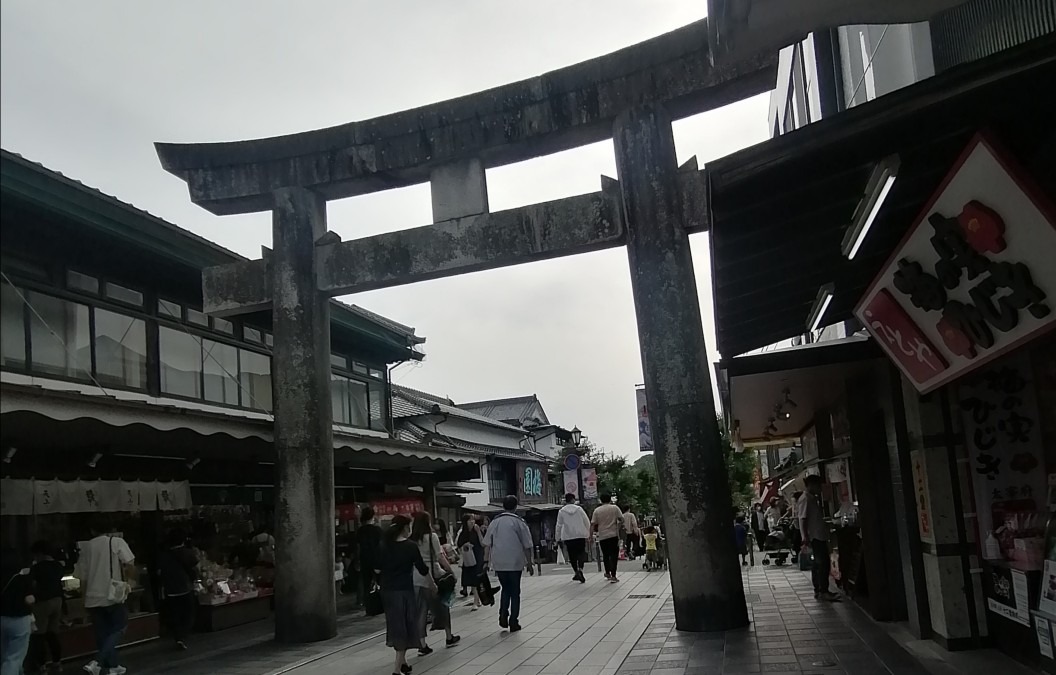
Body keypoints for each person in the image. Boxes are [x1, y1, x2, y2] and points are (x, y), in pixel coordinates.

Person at [75, 519, 136, 675]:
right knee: (120, 627)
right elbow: (130, 562)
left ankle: (113, 666)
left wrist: (83, 599)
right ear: (110, 529)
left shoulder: (86, 547)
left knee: (102, 634)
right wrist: (129, 581)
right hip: (112, 594)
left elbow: (82, 577)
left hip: (92, 597)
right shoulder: (116, 542)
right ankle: (98, 662)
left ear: (92, 531)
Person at [377, 515, 431, 675]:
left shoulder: (383, 545)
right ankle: (396, 669)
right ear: (405, 528)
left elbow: (377, 569)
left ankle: (403, 663)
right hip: (404, 591)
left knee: (396, 626)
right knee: (405, 627)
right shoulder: (410, 546)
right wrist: (432, 583)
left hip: (387, 591)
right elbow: (422, 568)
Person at [482, 495, 534, 632]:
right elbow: (527, 545)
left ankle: (503, 613)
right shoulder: (519, 522)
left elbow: (487, 543)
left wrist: (485, 561)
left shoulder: (495, 522)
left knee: (505, 588)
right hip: (515, 562)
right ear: (515, 506)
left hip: (499, 562)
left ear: (503, 506)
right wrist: (529, 563)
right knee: (515, 591)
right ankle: (513, 621)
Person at [410, 512, 459, 654]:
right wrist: (451, 572)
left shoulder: (412, 539)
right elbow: (440, 557)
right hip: (434, 576)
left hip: (416, 578)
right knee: (444, 606)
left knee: (421, 613)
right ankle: (449, 637)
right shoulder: (432, 537)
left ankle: (422, 644)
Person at [799, 475, 838, 601]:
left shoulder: (811, 498)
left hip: (817, 534)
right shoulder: (806, 499)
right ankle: (822, 590)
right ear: (811, 485)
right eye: (818, 485)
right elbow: (803, 519)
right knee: (822, 563)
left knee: (818, 564)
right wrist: (805, 536)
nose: (820, 488)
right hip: (815, 536)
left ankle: (820, 590)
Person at [158, 528, 198, 651]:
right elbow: (196, 569)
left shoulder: (164, 555)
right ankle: (182, 636)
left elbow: (160, 573)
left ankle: (178, 636)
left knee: (175, 614)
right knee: (189, 613)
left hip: (170, 590)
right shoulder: (188, 553)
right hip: (185, 587)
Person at [30, 540, 65, 670]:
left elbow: (32, 585)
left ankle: (42, 666)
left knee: (39, 635)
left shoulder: (36, 568)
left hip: (42, 602)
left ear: (39, 553)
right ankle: (57, 663)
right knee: (52, 634)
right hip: (57, 601)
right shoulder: (58, 566)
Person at [2, 547, 35, 675]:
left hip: (2, 618)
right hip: (19, 620)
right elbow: (30, 599)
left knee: (5, 655)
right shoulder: (21, 579)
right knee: (14, 658)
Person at [555, 494, 590, 583]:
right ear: (573, 500)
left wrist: (557, 538)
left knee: (572, 555)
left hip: (568, 536)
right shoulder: (579, 509)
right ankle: (580, 569)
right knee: (581, 552)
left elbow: (558, 525)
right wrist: (589, 533)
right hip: (580, 534)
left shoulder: (561, 511)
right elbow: (586, 521)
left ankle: (576, 571)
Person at [591, 494, 623, 583]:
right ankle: (613, 575)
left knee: (605, 555)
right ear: (610, 499)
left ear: (601, 500)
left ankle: (607, 572)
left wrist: (590, 535)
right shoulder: (615, 508)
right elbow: (621, 519)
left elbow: (593, 523)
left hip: (603, 535)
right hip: (613, 534)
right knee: (614, 555)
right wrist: (618, 526)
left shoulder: (597, 510)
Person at [456, 515, 483, 608]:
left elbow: (483, 543)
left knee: (476, 579)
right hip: (468, 559)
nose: (472, 522)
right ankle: (477, 599)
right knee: (472, 579)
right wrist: (466, 545)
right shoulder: (462, 533)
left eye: (473, 520)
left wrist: (479, 532)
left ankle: (476, 600)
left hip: (478, 557)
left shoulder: (476, 531)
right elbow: (459, 545)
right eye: (469, 520)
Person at [357, 507, 382, 605]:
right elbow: (382, 545)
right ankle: (381, 601)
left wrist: (358, 559)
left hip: (365, 558)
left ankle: (367, 604)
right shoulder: (378, 530)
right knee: (380, 580)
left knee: (366, 582)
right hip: (377, 558)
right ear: (373, 516)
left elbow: (358, 546)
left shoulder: (360, 531)